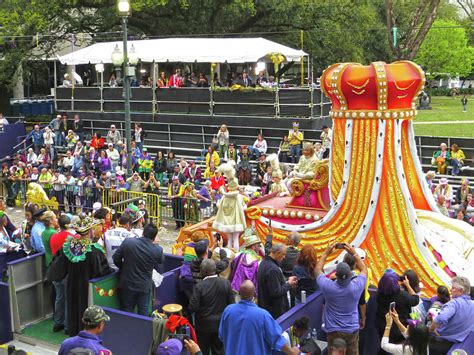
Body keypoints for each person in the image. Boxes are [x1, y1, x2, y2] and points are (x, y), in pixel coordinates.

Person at [47, 215, 112, 336]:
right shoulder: (95, 251)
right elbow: (103, 271)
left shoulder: (68, 248)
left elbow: (57, 268)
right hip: (87, 288)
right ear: (90, 231)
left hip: (72, 285)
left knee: (73, 308)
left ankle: (74, 333)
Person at [219, 280, 299, 355]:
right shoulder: (263, 315)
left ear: (239, 293)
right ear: (254, 294)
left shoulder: (228, 311)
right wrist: (291, 352)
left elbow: (221, 335)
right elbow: (277, 339)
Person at [316, 242, 367, 355]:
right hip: (351, 330)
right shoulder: (356, 286)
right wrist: (353, 253)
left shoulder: (328, 286)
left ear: (336, 275)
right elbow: (364, 270)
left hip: (333, 329)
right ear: (350, 274)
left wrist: (326, 253)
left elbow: (317, 270)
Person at [113, 223, 164, 316]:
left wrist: (123, 267)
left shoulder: (128, 242)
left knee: (126, 311)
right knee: (143, 312)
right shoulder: (158, 250)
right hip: (144, 286)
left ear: (143, 233)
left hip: (127, 283)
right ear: (154, 237)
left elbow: (115, 258)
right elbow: (161, 260)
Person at [189, 259, 235, 355]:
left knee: (202, 351)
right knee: (219, 351)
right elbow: (231, 305)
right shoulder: (226, 283)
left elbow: (193, 307)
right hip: (220, 325)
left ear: (203, 271)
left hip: (203, 327)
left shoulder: (199, 286)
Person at [429, 276, 474, 355]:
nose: (450, 290)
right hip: (458, 346)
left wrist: (432, 329)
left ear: (461, 291)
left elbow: (441, 318)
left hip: (441, 342)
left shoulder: (454, 303)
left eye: (453, 288)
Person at [375, 269, 419, 349]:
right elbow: (416, 299)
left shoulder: (379, 294)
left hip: (382, 325)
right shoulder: (403, 296)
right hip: (399, 328)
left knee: (384, 345)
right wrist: (408, 285)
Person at [257, 243, 298, 319]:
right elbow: (276, 292)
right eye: (283, 254)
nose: (284, 257)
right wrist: (289, 284)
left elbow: (273, 282)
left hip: (266, 307)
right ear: (277, 253)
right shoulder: (272, 269)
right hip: (274, 312)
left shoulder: (264, 263)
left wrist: (286, 280)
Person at [212, 178, 246, 251]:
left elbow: (219, 205)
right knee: (236, 239)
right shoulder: (239, 196)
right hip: (236, 221)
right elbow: (244, 207)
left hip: (227, 221)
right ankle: (236, 254)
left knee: (230, 239)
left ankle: (229, 254)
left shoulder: (225, 196)